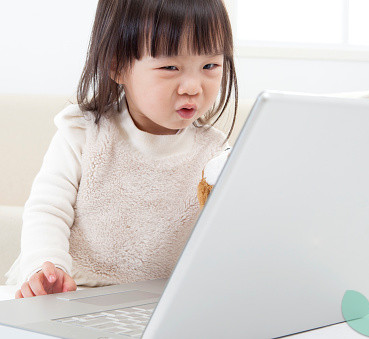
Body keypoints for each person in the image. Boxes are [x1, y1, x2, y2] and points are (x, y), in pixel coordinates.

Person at [4, 0, 238, 299]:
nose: (192, 86)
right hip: (74, 290)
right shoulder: (84, 133)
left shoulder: (214, 154)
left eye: (210, 66)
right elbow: (48, 209)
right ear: (117, 65)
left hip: (155, 301)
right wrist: (45, 268)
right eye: (170, 66)